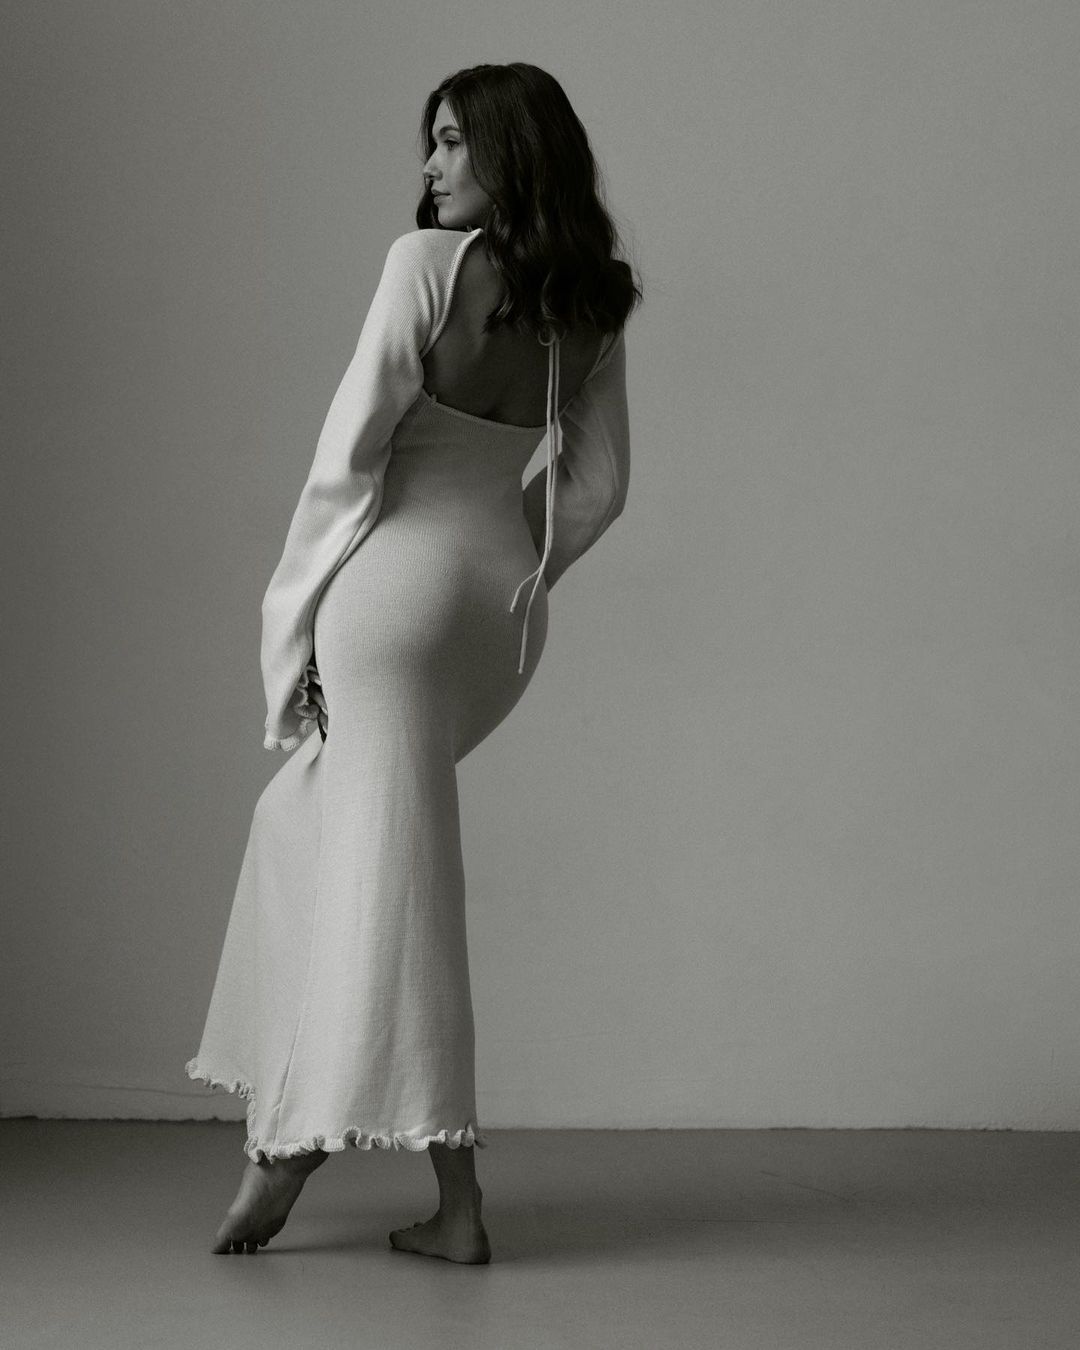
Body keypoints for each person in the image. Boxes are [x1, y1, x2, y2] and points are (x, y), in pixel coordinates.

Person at [185, 61, 641, 1265]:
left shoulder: (427, 266)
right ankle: (401, 1172)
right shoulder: (592, 301)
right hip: (499, 613)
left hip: (390, 602)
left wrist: (289, 634)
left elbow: (347, 463)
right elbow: (597, 487)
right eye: (429, 143)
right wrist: (518, 567)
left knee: (397, 876)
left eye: (450, 142)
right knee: (320, 830)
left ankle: (302, 1152)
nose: (430, 168)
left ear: (507, 150)